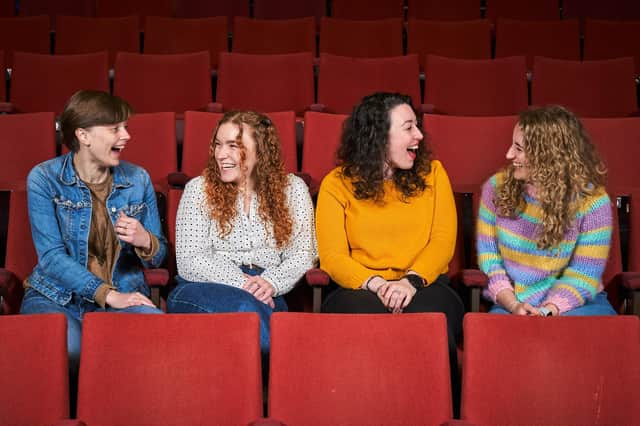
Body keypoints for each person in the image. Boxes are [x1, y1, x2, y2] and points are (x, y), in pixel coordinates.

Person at [316, 92, 464, 412]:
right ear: (378, 136)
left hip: (424, 285)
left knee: (429, 326)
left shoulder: (433, 173)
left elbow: (442, 242)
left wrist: (409, 282)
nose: (419, 136)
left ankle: (437, 413)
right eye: (408, 127)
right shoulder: (336, 183)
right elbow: (332, 256)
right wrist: (377, 284)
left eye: (418, 126)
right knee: (360, 326)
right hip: (360, 287)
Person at [21, 90, 167, 410]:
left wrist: (146, 240)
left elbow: (159, 256)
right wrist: (107, 294)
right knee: (68, 352)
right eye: (115, 128)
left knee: (160, 339)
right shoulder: (44, 178)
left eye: (125, 127)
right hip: (56, 296)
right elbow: (51, 258)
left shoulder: (138, 178)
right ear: (83, 135)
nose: (126, 136)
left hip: (125, 292)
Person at [167, 111, 317, 353]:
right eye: (218, 145)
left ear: (261, 150)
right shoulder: (199, 189)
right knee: (246, 310)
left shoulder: (293, 189)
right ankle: (296, 361)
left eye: (233, 146)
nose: (221, 154)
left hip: (267, 291)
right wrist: (244, 283)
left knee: (255, 314)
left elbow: (304, 253)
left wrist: (271, 281)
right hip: (202, 288)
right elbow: (190, 261)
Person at [477, 105, 616, 316]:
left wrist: (549, 310)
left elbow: (584, 274)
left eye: (519, 148)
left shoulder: (594, 202)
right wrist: (513, 304)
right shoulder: (494, 189)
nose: (508, 154)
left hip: (578, 304)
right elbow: (491, 263)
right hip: (512, 302)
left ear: (548, 155)